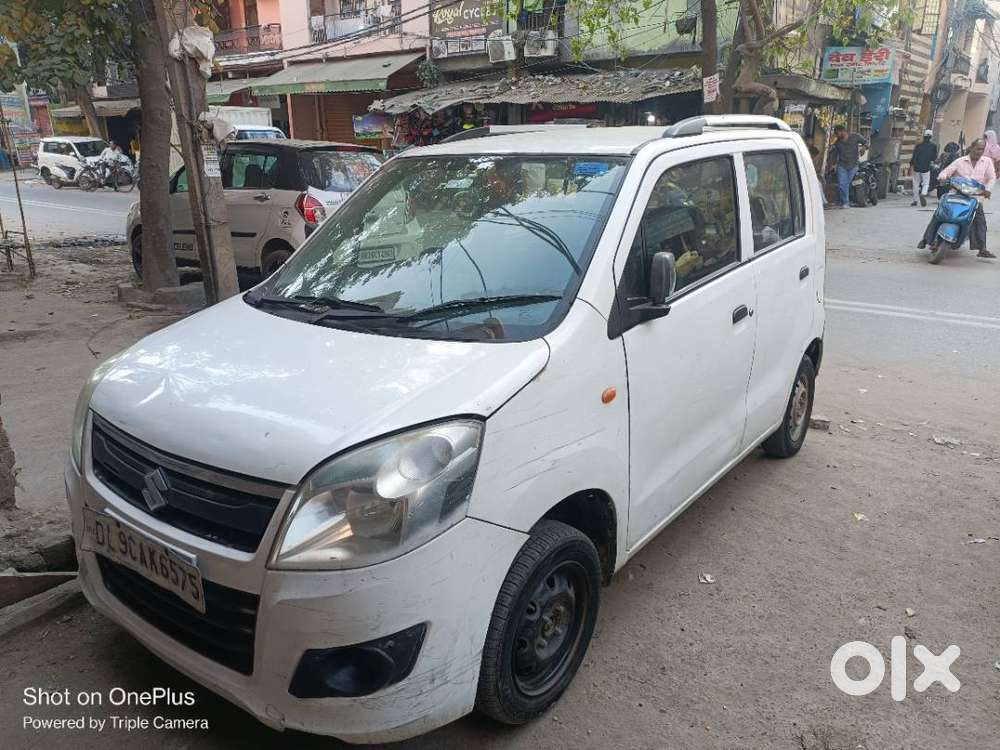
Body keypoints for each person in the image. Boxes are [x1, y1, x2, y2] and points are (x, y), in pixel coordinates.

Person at [918, 137, 996, 258]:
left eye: (982, 149)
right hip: (955, 194)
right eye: (977, 149)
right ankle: (926, 239)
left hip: (974, 197)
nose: (979, 151)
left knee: (980, 220)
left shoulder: (987, 162)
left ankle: (982, 248)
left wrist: (988, 190)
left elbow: (992, 177)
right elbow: (946, 172)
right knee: (939, 214)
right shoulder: (960, 161)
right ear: (971, 148)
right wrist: (943, 177)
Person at [827, 124, 868, 209]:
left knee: (845, 184)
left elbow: (866, 142)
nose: (836, 135)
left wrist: (863, 148)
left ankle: (840, 201)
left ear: (842, 131)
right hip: (842, 166)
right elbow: (834, 154)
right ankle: (845, 203)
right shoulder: (838, 143)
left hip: (853, 165)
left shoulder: (855, 136)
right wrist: (832, 164)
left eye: (836, 133)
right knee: (842, 184)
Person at [910, 129, 938, 207]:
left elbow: (914, 157)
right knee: (926, 183)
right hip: (926, 167)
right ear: (931, 137)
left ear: (924, 136)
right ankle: (923, 193)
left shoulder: (918, 146)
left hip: (917, 167)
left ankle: (915, 200)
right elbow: (934, 157)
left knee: (915, 184)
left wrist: (911, 165)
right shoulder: (933, 146)